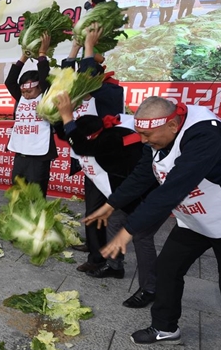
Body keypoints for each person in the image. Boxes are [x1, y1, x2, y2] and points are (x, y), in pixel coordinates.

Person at [83, 96, 221, 344]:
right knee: (167, 269)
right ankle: (165, 328)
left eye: (148, 134)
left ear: (173, 126)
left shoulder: (206, 136)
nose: (143, 140)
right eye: (140, 133)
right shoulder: (158, 135)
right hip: (195, 220)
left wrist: (128, 230)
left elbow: (172, 188)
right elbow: (144, 173)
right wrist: (111, 204)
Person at [55, 92, 162, 308]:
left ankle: (150, 288)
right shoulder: (98, 133)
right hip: (123, 193)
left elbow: (81, 146)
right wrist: (62, 116)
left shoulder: (111, 138)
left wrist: (68, 116)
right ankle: (115, 267)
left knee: (141, 238)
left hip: (143, 194)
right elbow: (71, 137)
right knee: (114, 222)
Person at [58, 24, 123, 274]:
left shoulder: (110, 92)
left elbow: (86, 74)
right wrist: (74, 47)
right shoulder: (79, 96)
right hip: (89, 162)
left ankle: (105, 261)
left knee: (105, 212)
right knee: (93, 209)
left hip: (107, 164)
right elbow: (65, 82)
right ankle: (95, 247)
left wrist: (88, 46)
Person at [4, 33, 57, 197]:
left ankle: (35, 223)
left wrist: (42, 55)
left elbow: (44, 78)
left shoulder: (46, 96)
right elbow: (10, 81)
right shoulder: (21, 98)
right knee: (17, 193)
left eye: (30, 90)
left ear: (40, 88)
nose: (26, 94)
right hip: (21, 153)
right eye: (23, 91)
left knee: (36, 195)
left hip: (39, 155)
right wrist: (24, 57)